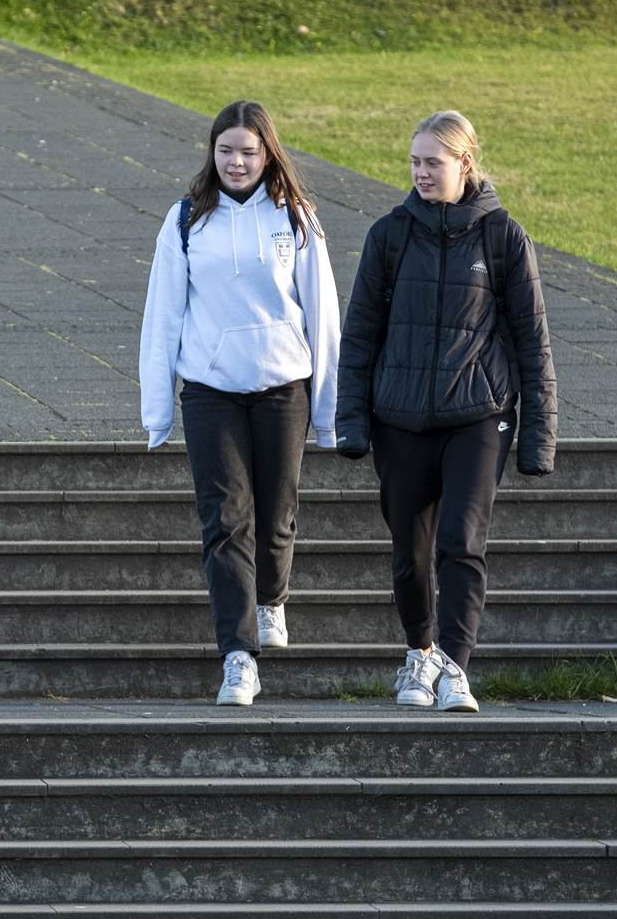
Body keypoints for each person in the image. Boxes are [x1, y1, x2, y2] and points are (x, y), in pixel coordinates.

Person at [334, 111, 556, 713]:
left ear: (465, 163)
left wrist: (540, 435)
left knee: (462, 541)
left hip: (478, 414)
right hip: (398, 418)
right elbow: (360, 333)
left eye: (433, 162)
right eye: (414, 162)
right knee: (410, 556)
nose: (421, 173)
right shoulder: (389, 235)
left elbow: (532, 340)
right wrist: (349, 420)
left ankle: (456, 667)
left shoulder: (503, 236)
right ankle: (420, 653)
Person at [139, 101, 341, 706]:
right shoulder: (185, 221)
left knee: (276, 512)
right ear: (212, 153)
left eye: (248, 151)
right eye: (226, 150)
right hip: (209, 390)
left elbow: (324, 316)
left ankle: (272, 596)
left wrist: (329, 413)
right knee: (225, 521)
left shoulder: (298, 219)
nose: (236, 161)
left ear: (267, 154)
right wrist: (158, 412)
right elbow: (162, 316)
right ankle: (237, 656)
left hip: (283, 387)